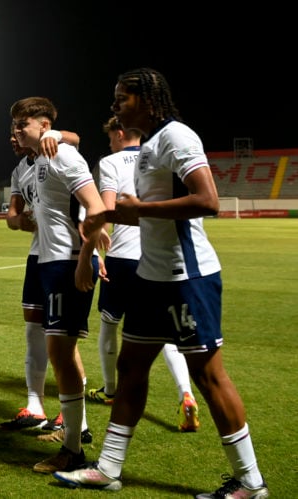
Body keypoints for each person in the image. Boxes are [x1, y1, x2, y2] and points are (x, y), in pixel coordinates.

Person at [53, 67, 269, 498]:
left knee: (208, 376)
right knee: (130, 368)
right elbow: (138, 208)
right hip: (151, 276)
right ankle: (109, 468)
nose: (114, 106)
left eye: (122, 98)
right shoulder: (151, 144)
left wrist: (137, 212)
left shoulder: (177, 137)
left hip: (185, 276)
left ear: (148, 101)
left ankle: (251, 482)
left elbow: (208, 201)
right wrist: (107, 216)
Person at [10, 96, 107, 475]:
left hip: (68, 264)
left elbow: (96, 208)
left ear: (44, 124)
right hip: (49, 263)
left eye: (24, 124)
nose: (17, 131)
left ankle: (73, 447)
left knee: (62, 355)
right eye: (16, 125)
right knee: (60, 353)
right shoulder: (32, 167)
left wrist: (85, 257)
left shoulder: (63, 155)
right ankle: (71, 440)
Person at [88, 116, 200, 433]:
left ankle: (110, 389)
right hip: (156, 257)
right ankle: (187, 395)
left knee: (109, 323)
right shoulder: (158, 156)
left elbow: (107, 210)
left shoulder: (110, 162)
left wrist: (96, 251)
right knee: (164, 334)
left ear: (120, 133)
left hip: (122, 258)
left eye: (111, 136)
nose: (109, 142)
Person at [0, 129, 91, 444]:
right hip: (37, 255)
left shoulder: (55, 148)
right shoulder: (18, 170)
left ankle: (76, 419)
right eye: (10, 132)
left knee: (65, 338)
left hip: (64, 255)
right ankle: (35, 406)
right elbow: (11, 216)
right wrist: (19, 222)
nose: (12, 137)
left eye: (18, 129)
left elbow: (75, 137)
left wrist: (53, 132)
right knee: (34, 332)